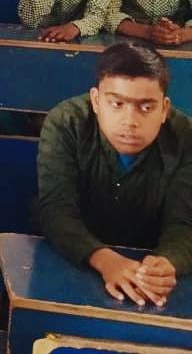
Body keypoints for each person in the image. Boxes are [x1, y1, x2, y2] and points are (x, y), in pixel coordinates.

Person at [38, 44, 192, 306]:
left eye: (146, 108)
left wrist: (167, 263)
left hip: (146, 270)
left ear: (164, 109)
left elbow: (184, 223)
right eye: (117, 104)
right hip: (70, 258)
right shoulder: (66, 122)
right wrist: (105, 260)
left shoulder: (185, 137)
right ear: (96, 101)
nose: (130, 121)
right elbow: (56, 210)